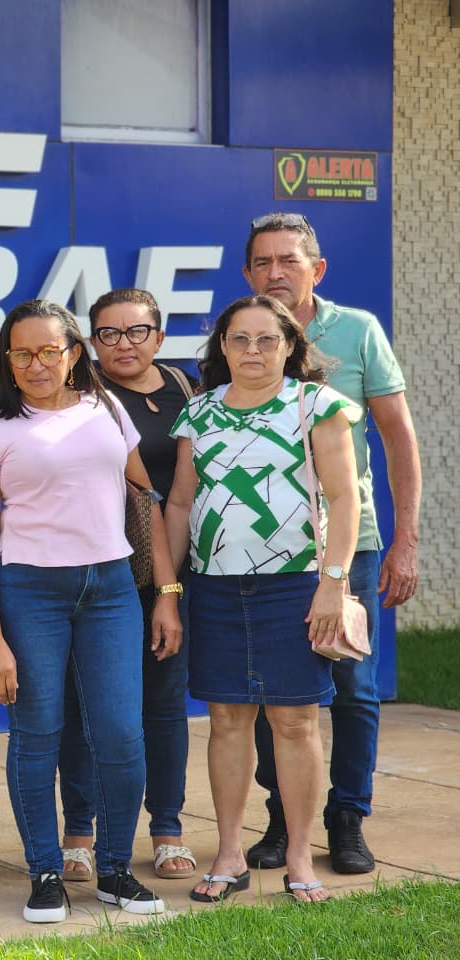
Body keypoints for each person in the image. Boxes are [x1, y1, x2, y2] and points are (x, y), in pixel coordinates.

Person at [0, 300, 182, 924]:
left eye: (49, 351)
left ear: (74, 353)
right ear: (7, 360)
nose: (36, 364)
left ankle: (114, 869)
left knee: (121, 733)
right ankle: (46, 873)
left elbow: (147, 500)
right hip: (30, 591)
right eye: (22, 353)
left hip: (111, 588)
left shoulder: (106, 407)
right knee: (38, 733)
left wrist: (166, 592)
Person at [240, 213, 421, 874]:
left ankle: (347, 818)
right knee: (272, 691)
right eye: (263, 262)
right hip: (265, 551)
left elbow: (398, 437)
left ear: (317, 269)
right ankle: (282, 817)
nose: (275, 273)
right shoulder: (242, 334)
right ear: (247, 274)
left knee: (352, 686)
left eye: (288, 260)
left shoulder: (358, 331)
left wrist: (406, 541)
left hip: (350, 543)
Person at [166, 294, 360, 904]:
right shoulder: (198, 412)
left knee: (295, 722)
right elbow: (179, 503)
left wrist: (332, 583)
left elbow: (344, 498)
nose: (253, 350)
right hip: (214, 588)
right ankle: (229, 853)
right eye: (240, 339)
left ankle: (299, 856)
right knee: (226, 721)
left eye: (267, 339)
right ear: (222, 347)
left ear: (290, 345)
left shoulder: (315, 404)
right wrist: (168, 591)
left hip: (295, 586)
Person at [58, 288, 198, 886]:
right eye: (109, 333)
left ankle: (166, 830)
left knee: (163, 706)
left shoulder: (188, 391)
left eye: (137, 331)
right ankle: (79, 833)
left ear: (158, 337)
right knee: (83, 707)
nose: (124, 344)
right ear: (91, 341)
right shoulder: (75, 394)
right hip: (93, 572)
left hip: (170, 576)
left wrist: (170, 590)